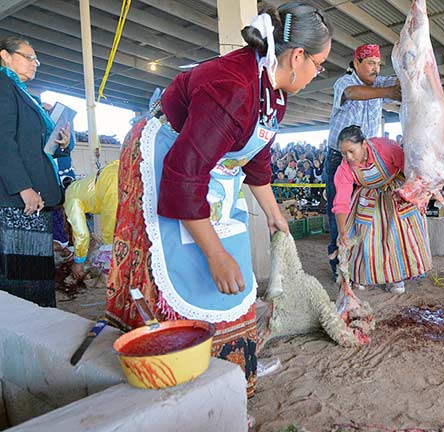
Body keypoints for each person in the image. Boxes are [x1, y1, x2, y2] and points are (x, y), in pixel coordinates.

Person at [105, 2, 332, 397]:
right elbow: (183, 176)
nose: (318, 74)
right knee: (196, 260)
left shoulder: (274, 94)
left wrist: (274, 216)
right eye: (320, 64)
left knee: (234, 252)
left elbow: (256, 159)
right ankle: (188, 367)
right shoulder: (234, 87)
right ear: (297, 57)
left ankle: (235, 363)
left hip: (213, 173)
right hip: (168, 160)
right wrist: (215, 255)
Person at [325, 43, 402, 280]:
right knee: (339, 209)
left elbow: (401, 80)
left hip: (368, 157)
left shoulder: (379, 83)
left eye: (378, 64)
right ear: (356, 62)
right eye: (370, 63)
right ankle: (340, 266)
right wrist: (389, 92)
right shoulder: (345, 83)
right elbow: (353, 94)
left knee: (366, 211)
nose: (376, 69)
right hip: (341, 157)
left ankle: (361, 266)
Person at [0, 36, 64, 307]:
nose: (35, 64)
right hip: (18, 199)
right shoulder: (3, 86)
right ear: (5, 55)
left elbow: (41, 149)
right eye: (29, 57)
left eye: (36, 59)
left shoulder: (26, 95)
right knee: (22, 274)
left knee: (35, 273)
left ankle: (39, 327)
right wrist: (23, 186)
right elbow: (2, 139)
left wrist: (62, 140)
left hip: (34, 197)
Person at [333, 125, 431, 294]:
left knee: (396, 233)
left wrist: (417, 193)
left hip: (394, 190)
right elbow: (341, 202)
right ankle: (364, 275)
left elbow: (409, 169)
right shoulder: (343, 169)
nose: (348, 157)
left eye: (351, 151)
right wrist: (342, 231)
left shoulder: (386, 148)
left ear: (364, 144)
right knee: (363, 234)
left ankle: (397, 278)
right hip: (367, 195)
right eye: (343, 153)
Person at [64, 160, 119, 280]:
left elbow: (82, 234)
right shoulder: (79, 185)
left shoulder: (70, 198)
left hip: (111, 183)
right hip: (120, 169)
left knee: (110, 243)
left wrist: (78, 261)